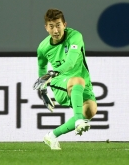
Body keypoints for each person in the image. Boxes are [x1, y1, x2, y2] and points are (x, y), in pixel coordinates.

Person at [33, 8, 97, 150]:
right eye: (51, 26)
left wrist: (54, 72)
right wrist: (43, 92)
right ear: (46, 28)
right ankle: (78, 120)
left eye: (58, 25)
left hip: (81, 80)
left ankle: (51, 136)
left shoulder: (75, 37)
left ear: (64, 24)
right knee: (77, 82)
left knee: (90, 111)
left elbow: (71, 63)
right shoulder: (43, 48)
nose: (55, 30)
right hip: (59, 82)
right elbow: (42, 69)